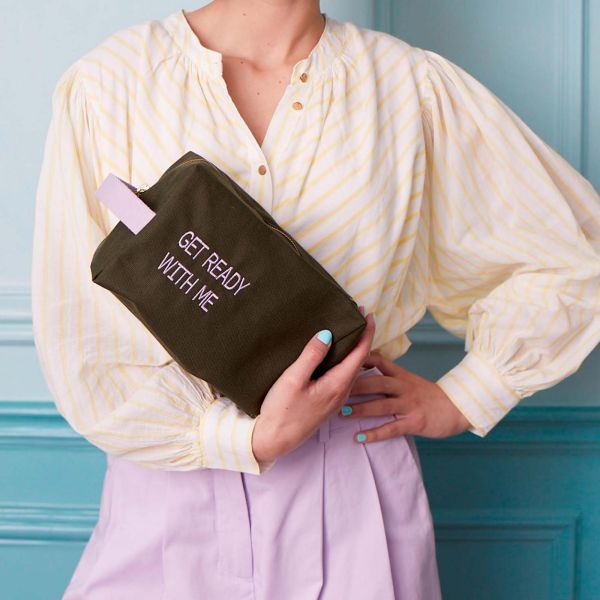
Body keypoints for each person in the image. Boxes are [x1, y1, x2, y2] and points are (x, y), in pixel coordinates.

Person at [31, 1, 600, 598]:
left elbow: (572, 253)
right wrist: (240, 438)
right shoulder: (110, 84)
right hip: (172, 489)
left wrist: (470, 393)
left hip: (352, 484)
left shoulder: (408, 88)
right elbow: (81, 332)